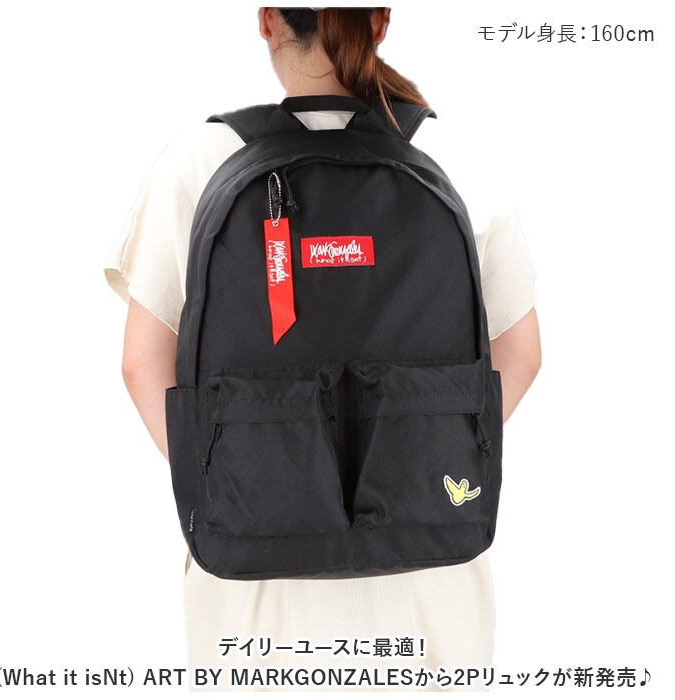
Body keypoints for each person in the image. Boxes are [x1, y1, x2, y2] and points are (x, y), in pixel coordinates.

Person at [104, 7, 541, 692]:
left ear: (267, 22)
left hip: (252, 592)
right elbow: (521, 353)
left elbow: (143, 364)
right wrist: (430, 461)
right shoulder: (458, 156)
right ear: (381, 22)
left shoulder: (197, 160)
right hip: (431, 584)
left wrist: (232, 478)